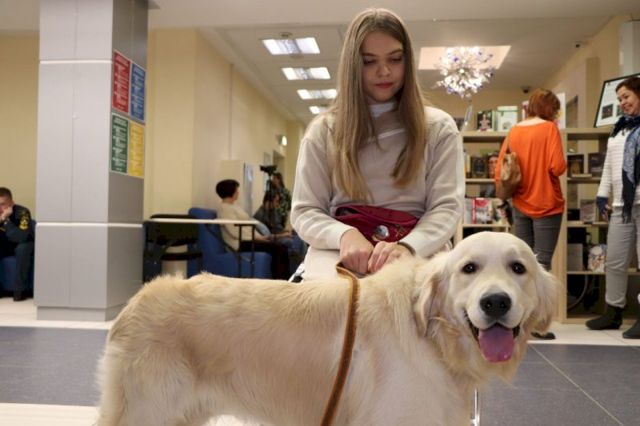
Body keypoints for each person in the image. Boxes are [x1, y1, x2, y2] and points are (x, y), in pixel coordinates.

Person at [291, 8, 464, 280]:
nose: (384, 71)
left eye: (395, 59)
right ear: (353, 66)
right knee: (329, 302)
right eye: (369, 61)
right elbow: (305, 211)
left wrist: (409, 247)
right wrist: (344, 235)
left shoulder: (438, 127)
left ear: (407, 60)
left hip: (419, 250)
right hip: (340, 250)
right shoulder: (323, 131)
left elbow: (447, 208)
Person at [494, 89, 566, 340]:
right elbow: (557, 166)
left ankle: (516, 320)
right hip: (547, 204)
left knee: (520, 264)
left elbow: (501, 169)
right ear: (549, 108)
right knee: (542, 265)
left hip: (520, 202)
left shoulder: (515, 131)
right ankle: (537, 324)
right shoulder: (549, 129)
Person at [586, 76, 640, 339]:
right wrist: (601, 195)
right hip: (620, 206)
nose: (622, 103)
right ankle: (613, 311)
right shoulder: (618, 129)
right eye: (619, 99)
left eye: (626, 96)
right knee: (615, 262)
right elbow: (609, 165)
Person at [215, 179, 290, 279]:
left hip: (248, 240)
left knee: (282, 247)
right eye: (237, 190)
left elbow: (247, 227)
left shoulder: (234, 206)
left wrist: (259, 237)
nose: (238, 192)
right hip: (240, 244)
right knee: (278, 248)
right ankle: (280, 280)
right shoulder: (224, 208)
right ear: (231, 191)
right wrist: (256, 238)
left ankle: (284, 279)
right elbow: (234, 231)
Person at [253, 190, 307, 275]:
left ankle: (304, 266)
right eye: (276, 201)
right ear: (269, 201)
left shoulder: (272, 211)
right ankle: (294, 272)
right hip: (275, 238)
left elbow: (277, 227)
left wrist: (286, 231)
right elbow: (268, 236)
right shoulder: (260, 215)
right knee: (292, 243)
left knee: (300, 238)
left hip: (281, 234)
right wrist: (283, 235)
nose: (277, 204)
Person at [0, 187, 35, 301]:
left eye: (3, 204)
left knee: (22, 248)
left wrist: (5, 221)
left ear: (12, 203)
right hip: (6, 244)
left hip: (24, 244)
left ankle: (19, 291)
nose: (0, 208)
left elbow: (21, 237)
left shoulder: (23, 212)